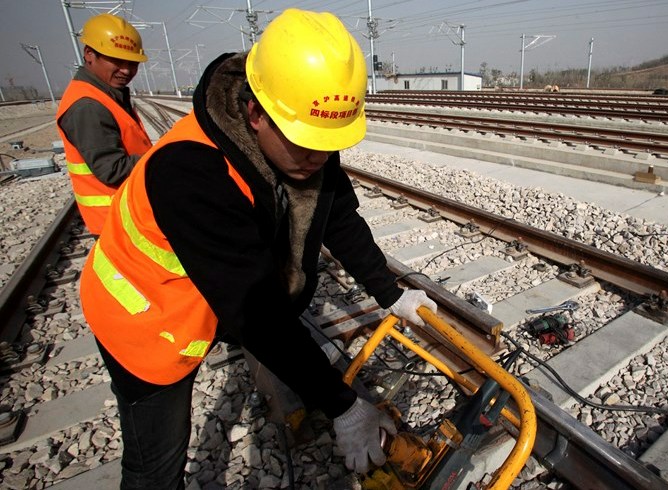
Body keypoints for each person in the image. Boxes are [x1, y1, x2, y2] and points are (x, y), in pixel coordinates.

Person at [78, 8, 437, 489]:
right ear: (255, 113)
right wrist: (343, 406)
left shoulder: (304, 132)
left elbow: (337, 215)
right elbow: (257, 312)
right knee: (157, 466)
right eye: (305, 142)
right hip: (143, 319)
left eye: (328, 143)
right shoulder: (189, 173)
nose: (318, 157)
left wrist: (390, 293)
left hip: (203, 298)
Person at [56, 13, 152, 236]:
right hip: (118, 222)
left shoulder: (106, 95)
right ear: (89, 54)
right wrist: (164, 157)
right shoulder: (88, 106)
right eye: (117, 61)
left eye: (133, 63)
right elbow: (112, 169)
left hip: (129, 213)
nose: (126, 70)